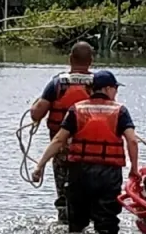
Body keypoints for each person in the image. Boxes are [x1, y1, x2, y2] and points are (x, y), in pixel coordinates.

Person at [31, 69, 140, 234]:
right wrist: (134, 169)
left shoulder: (77, 109)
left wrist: (40, 165)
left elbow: (59, 140)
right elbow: (132, 141)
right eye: (115, 89)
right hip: (108, 174)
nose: (116, 93)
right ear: (106, 89)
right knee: (107, 225)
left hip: (79, 172)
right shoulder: (121, 111)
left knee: (76, 227)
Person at [27, 41, 95, 223]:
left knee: (65, 197)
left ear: (70, 59)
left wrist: (37, 103)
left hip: (62, 151)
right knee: (90, 197)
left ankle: (66, 224)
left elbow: (36, 115)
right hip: (92, 154)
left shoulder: (57, 84)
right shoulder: (100, 84)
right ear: (91, 61)